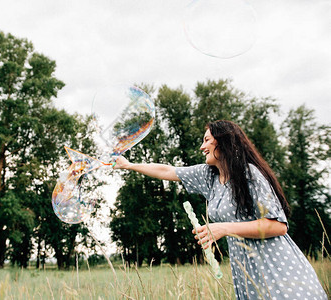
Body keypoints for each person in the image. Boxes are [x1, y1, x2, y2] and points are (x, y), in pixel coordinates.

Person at [113, 120, 327, 299]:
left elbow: (277, 226)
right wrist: (129, 165)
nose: (202, 147)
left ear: (224, 142)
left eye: (207, 140)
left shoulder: (249, 174)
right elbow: (167, 170)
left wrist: (225, 228)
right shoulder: (209, 176)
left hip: (279, 271)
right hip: (247, 274)